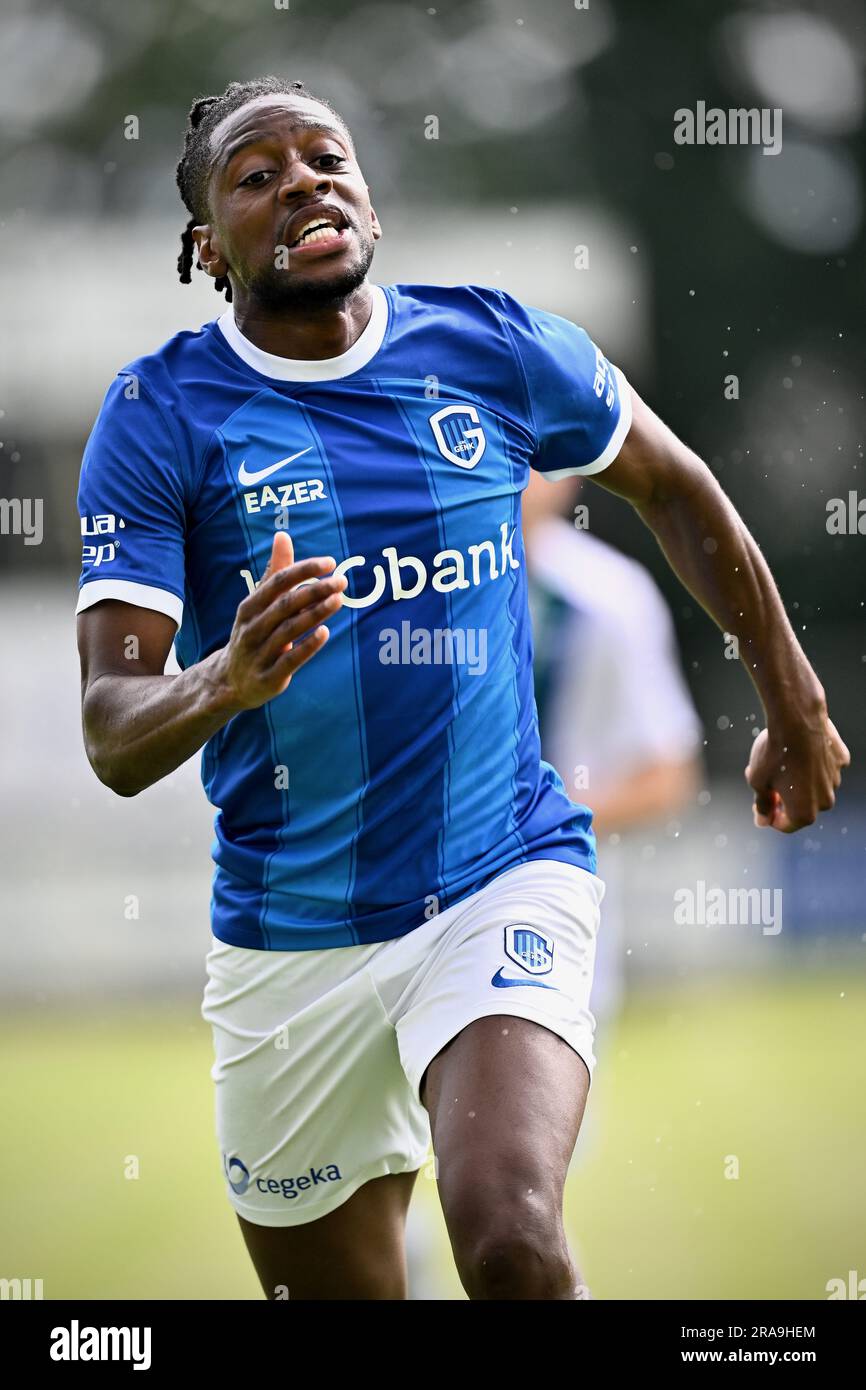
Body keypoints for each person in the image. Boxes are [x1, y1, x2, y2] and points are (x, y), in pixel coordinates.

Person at [75, 76, 850, 1301]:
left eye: (324, 158)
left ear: (369, 200)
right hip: (288, 944)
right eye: (256, 175)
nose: (303, 183)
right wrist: (227, 676)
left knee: (507, 1235)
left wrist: (791, 700)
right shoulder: (158, 413)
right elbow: (112, 733)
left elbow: (674, 484)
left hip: (497, 876)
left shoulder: (490, 346)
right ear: (203, 245)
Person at [523, 470, 704, 1023]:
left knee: (536, 1101)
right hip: (414, 919)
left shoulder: (609, 597)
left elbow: (669, 774)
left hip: (558, 915)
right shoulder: (405, 585)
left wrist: (534, 823)